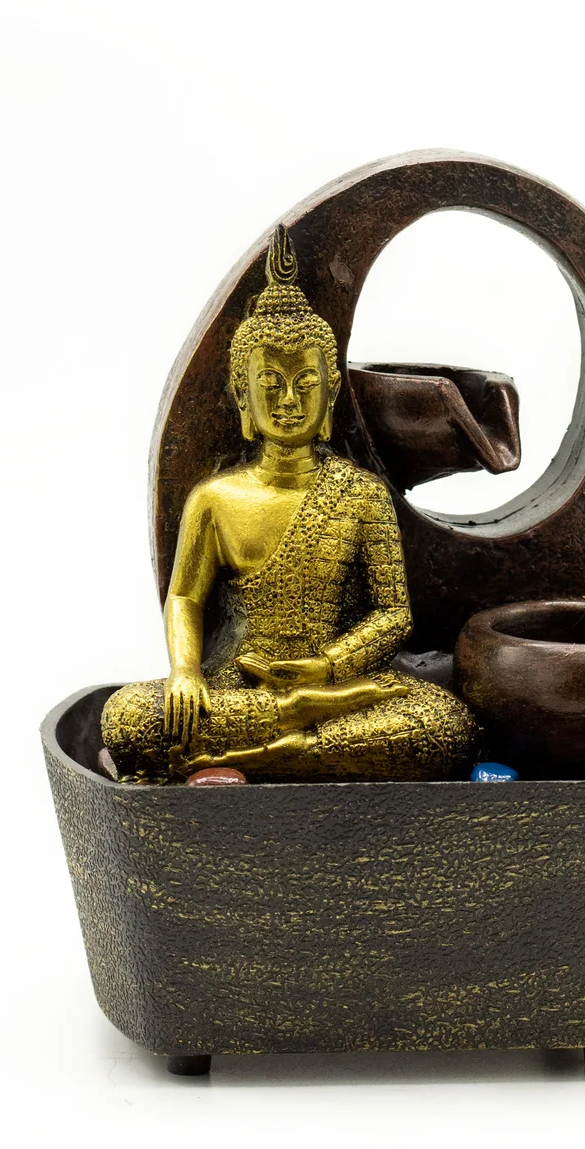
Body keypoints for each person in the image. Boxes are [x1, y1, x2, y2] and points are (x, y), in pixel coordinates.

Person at [102, 226, 479, 782]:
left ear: (329, 393)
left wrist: (326, 669)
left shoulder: (361, 495)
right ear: (242, 395)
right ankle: (293, 725)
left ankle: (274, 755)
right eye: (270, 382)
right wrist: (185, 673)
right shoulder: (215, 498)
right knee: (126, 718)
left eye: (305, 381)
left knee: (446, 723)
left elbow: (394, 613)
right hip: (241, 685)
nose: (287, 399)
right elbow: (185, 595)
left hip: (341, 686)